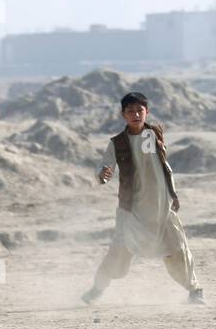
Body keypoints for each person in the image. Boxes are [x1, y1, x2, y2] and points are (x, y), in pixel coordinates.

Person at [82, 92, 204, 306]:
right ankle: (97, 289)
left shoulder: (154, 133)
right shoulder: (118, 143)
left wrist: (173, 193)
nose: (136, 114)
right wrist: (103, 174)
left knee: (177, 250)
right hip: (132, 210)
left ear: (147, 112)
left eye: (140, 110)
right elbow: (104, 166)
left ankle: (195, 290)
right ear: (123, 115)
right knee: (118, 253)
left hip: (161, 207)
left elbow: (163, 167)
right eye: (130, 111)